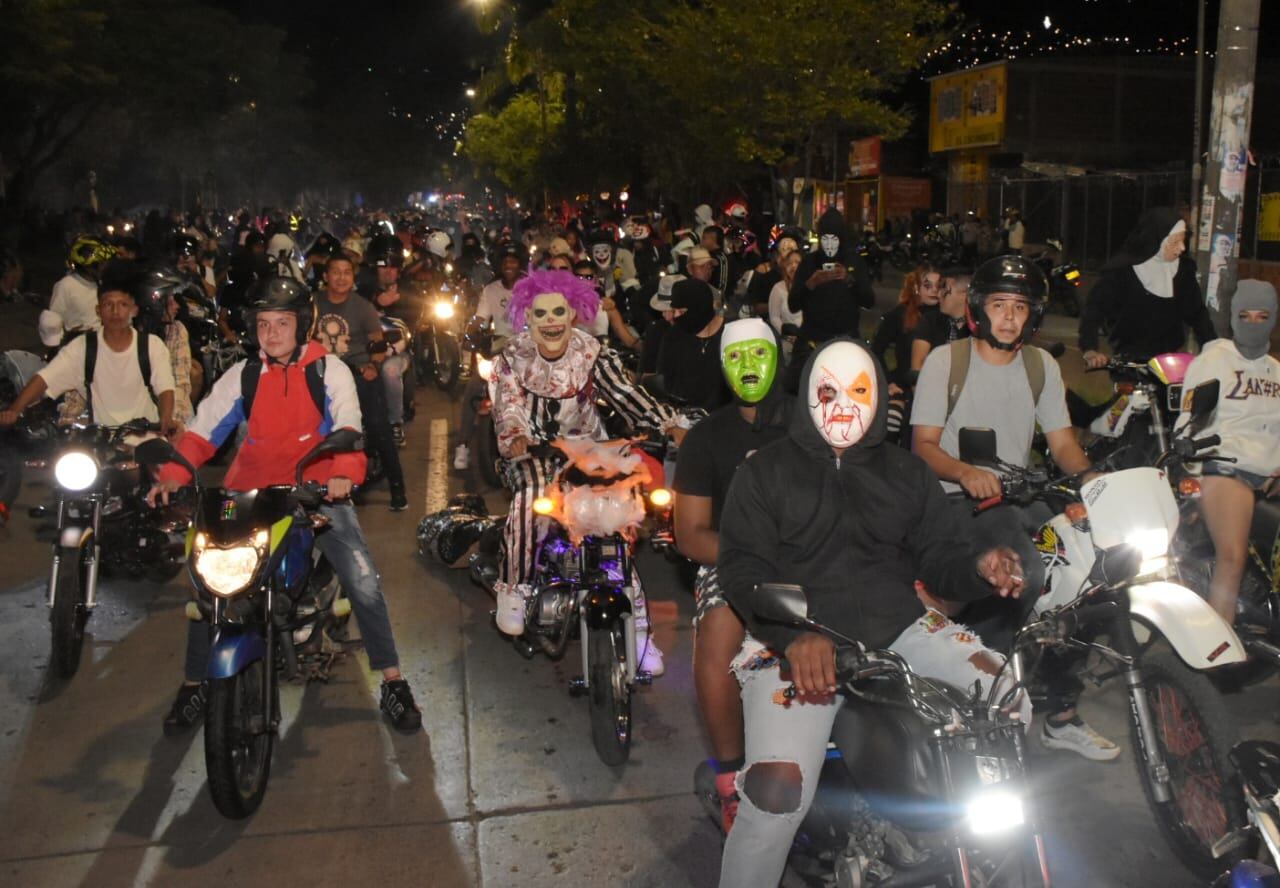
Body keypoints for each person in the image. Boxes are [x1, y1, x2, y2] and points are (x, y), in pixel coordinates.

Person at [716, 338, 1030, 885]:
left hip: (900, 628)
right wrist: (790, 636)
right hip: (796, 642)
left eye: (859, 391)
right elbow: (743, 572)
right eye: (828, 390)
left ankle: (974, 851)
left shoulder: (906, 473)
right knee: (776, 791)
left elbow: (940, 558)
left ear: (881, 397)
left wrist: (980, 569)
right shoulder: (763, 472)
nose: (843, 403)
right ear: (807, 394)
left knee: (1009, 701)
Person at [148, 276, 422, 735]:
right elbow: (202, 432)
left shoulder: (328, 370)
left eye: (281, 323)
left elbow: (349, 427)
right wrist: (173, 475)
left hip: (311, 490)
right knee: (208, 585)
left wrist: (342, 474)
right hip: (248, 493)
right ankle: (194, 683)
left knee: (364, 581)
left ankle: (393, 679)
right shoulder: (244, 375)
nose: (270, 333)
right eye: (262, 324)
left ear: (304, 325)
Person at [910, 255, 1117, 761]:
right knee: (1018, 568)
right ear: (979, 308)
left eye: (1019, 307)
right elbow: (925, 446)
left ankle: (1061, 712)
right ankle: (987, 699)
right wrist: (965, 471)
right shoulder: (947, 361)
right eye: (999, 305)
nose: (1008, 317)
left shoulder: (1040, 366)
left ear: (1033, 315)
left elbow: (1064, 444)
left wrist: (1092, 482)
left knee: (1092, 574)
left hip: (1022, 492)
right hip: (959, 499)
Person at [488, 269, 684, 674]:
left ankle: (640, 631)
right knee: (528, 500)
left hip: (589, 451)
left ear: (573, 314)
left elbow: (626, 393)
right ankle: (516, 588)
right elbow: (507, 406)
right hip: (535, 455)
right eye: (541, 314)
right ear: (529, 317)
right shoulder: (512, 356)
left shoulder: (592, 352)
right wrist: (517, 438)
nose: (551, 321)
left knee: (620, 523)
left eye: (559, 311)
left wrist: (667, 423)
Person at [674, 318, 792, 832]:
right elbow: (692, 534)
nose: (748, 367)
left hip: (812, 555)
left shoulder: (811, 423)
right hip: (732, 561)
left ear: (777, 359)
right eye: (736, 357)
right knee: (719, 626)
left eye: (758, 355)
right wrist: (756, 555)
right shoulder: (705, 438)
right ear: (723, 366)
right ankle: (728, 777)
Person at [1174, 280, 1280, 625]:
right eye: (1245, 315)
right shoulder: (1213, 361)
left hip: (1271, 473)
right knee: (1232, 556)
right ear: (1233, 318)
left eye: (1262, 316)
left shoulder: (1277, 371)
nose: (1253, 323)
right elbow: (1189, 421)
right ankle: (1219, 643)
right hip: (1225, 468)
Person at [1, 262, 176, 433]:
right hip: (102, 444)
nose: (115, 311)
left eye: (123, 305)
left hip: (147, 437)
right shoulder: (83, 347)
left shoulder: (151, 345)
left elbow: (165, 388)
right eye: (108, 304)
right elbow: (45, 379)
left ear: (134, 310)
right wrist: (14, 410)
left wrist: (166, 420)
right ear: (98, 311)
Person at [315, 254, 408, 511]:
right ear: (325, 276)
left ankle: (398, 488)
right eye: (336, 272)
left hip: (357, 373)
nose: (341, 277)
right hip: (321, 376)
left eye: (347, 272)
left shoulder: (363, 307)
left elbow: (378, 344)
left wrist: (373, 366)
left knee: (379, 427)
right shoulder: (313, 305)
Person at [1080, 207, 1216, 369]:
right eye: (1174, 242)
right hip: (1128, 362)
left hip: (1170, 364)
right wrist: (1090, 349)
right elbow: (1094, 310)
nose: (1182, 248)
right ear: (1157, 241)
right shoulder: (1122, 272)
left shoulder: (1183, 272)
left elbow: (1198, 315)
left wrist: (1214, 349)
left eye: (1183, 240)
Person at [785, 207, 874, 389]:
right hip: (812, 341)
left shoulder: (854, 261)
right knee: (797, 388)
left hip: (846, 341)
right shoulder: (809, 262)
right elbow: (793, 304)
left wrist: (850, 280)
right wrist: (810, 284)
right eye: (825, 239)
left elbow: (869, 301)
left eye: (834, 239)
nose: (829, 245)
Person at [454, 245, 523, 471]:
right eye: (505, 262)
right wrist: (470, 330)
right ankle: (462, 445)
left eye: (513, 261)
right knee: (474, 388)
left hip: (529, 348)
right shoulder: (491, 290)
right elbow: (480, 318)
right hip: (499, 347)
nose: (509, 266)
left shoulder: (531, 287)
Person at [870, 262, 940, 440]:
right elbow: (876, 349)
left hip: (937, 388)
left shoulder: (947, 317)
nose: (933, 290)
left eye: (938, 286)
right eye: (927, 285)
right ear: (917, 287)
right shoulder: (899, 314)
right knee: (892, 420)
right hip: (904, 384)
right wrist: (887, 382)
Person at [657, 278, 730, 411]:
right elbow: (666, 381)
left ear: (700, 307)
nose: (676, 316)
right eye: (674, 311)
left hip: (725, 420)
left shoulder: (732, 334)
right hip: (685, 419)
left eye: (682, 312)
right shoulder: (673, 336)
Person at [909, 265, 970, 374]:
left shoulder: (979, 328)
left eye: (944, 289)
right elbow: (917, 370)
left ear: (964, 294)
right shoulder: (931, 321)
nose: (938, 294)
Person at [51, 236, 115, 333]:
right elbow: (52, 322)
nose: (106, 267)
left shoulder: (104, 286)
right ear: (89, 264)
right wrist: (69, 334)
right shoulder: (66, 285)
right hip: (76, 344)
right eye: (102, 263)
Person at [766, 250, 803, 363]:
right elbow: (774, 317)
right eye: (789, 263)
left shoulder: (811, 286)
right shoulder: (778, 288)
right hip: (788, 342)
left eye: (797, 262)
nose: (793, 266)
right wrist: (785, 333)